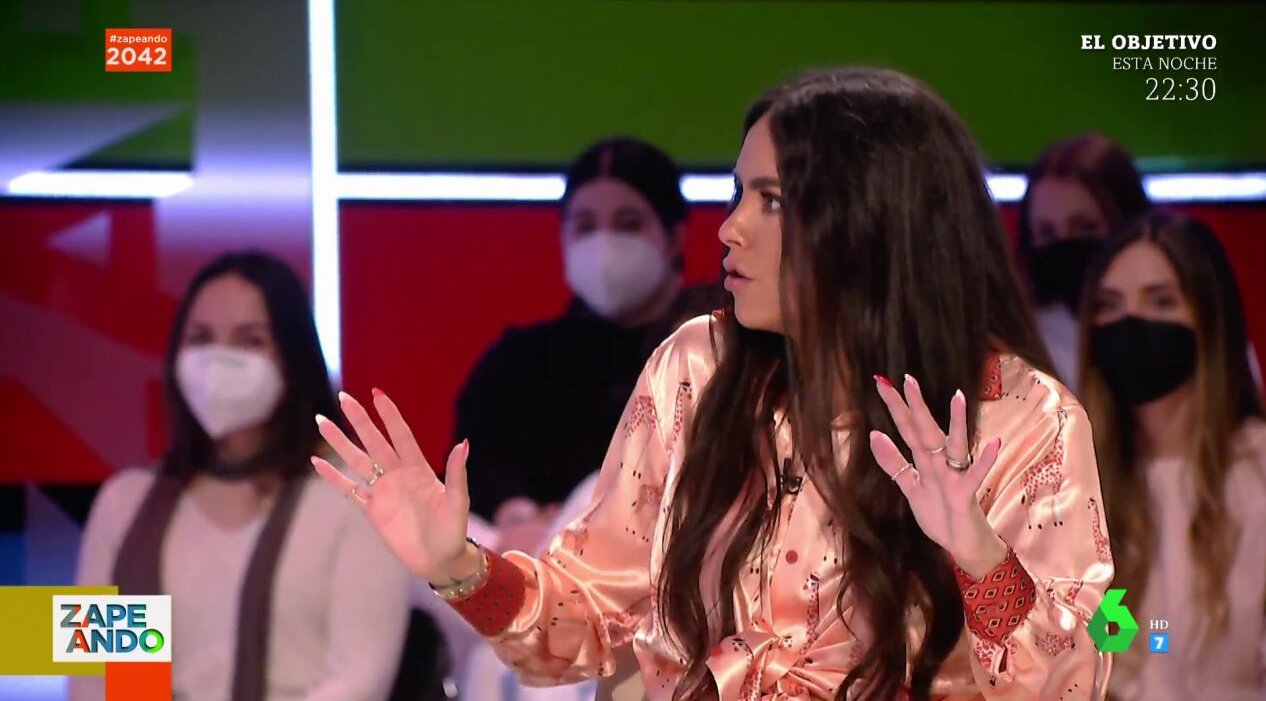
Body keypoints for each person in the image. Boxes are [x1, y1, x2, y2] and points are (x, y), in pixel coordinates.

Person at [312, 68, 1113, 700]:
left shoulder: (1024, 417)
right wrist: (459, 564)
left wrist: (978, 555)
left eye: (772, 201)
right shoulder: (696, 369)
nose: (730, 229)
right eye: (738, 195)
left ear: (872, 220)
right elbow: (589, 616)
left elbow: (1081, 672)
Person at [71, 252, 411, 701]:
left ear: (293, 357)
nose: (220, 361)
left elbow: (361, 679)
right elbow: (95, 677)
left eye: (250, 340)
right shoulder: (125, 503)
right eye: (201, 338)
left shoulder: (354, 496)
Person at [453, 136, 723, 549]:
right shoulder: (516, 363)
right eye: (585, 225)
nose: (605, 244)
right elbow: (478, 461)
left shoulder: (710, 350)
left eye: (629, 224)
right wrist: (517, 514)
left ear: (673, 236)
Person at [1077, 211, 1266, 701]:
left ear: (1210, 318)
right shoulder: (1074, 485)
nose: (1131, 323)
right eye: (1109, 305)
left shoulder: (1257, 473)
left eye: (1161, 301)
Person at [1015, 133, 1150, 387]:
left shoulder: (1177, 324)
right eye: (1046, 233)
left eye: (1086, 227)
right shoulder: (1018, 344)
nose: (1065, 247)